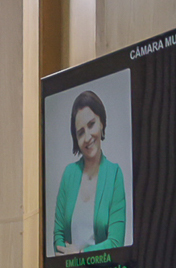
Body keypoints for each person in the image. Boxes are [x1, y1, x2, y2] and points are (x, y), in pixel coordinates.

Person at [52, 89, 127, 255]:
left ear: (101, 123)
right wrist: (67, 258)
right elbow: (58, 235)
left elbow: (116, 243)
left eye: (91, 124)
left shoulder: (114, 174)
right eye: (80, 132)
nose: (87, 137)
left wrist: (80, 255)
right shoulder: (69, 174)